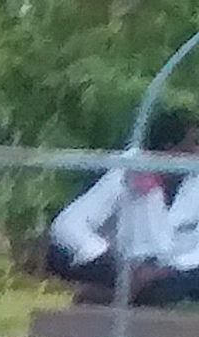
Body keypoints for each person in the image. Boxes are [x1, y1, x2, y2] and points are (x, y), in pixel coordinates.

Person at [42, 107, 199, 307]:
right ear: (170, 147)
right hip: (118, 265)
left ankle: (113, 297)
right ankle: (123, 294)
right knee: (61, 255)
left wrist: (159, 272)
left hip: (171, 272)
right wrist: (114, 261)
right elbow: (67, 226)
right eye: (194, 143)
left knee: (172, 284)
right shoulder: (127, 174)